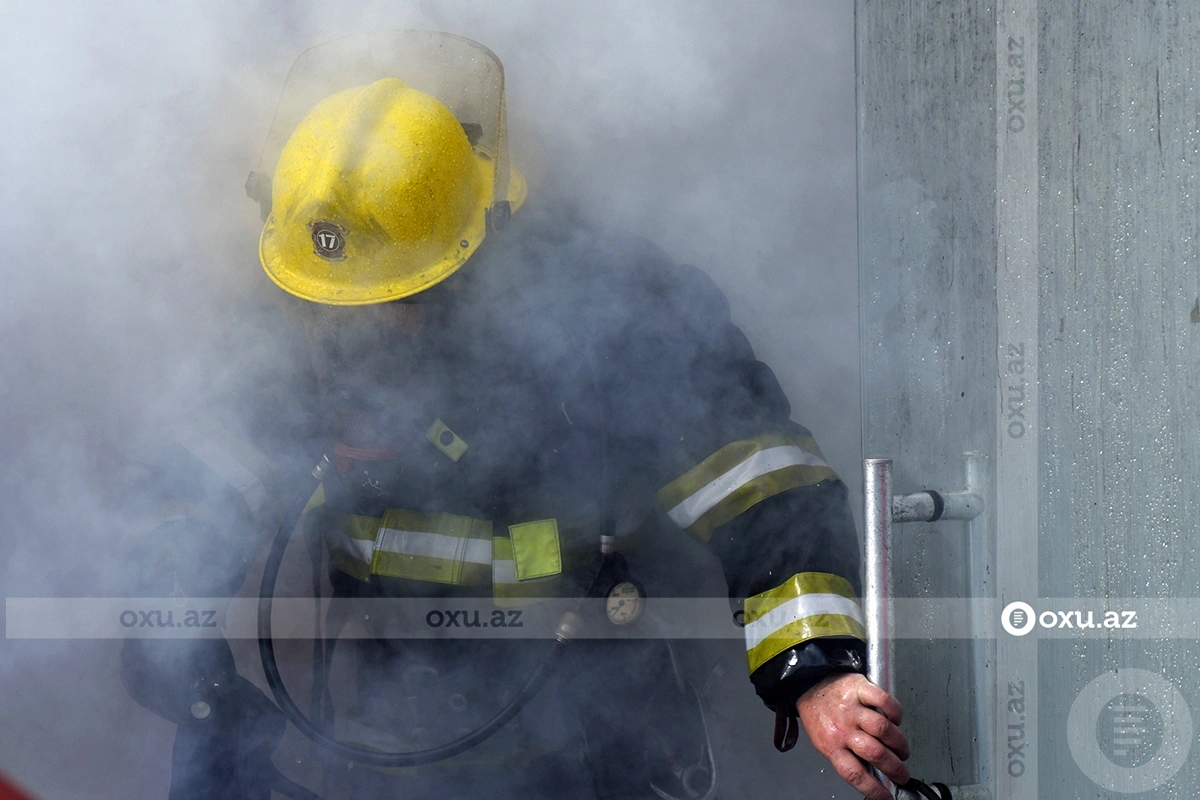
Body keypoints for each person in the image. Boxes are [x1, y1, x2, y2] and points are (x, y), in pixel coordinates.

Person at [121, 30, 911, 800]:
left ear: (465, 265)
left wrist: (818, 672)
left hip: (604, 748)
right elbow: (191, 490)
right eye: (326, 310)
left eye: (390, 305)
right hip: (393, 746)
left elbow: (762, 484)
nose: (347, 338)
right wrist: (183, 664)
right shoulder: (305, 327)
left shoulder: (614, 316)